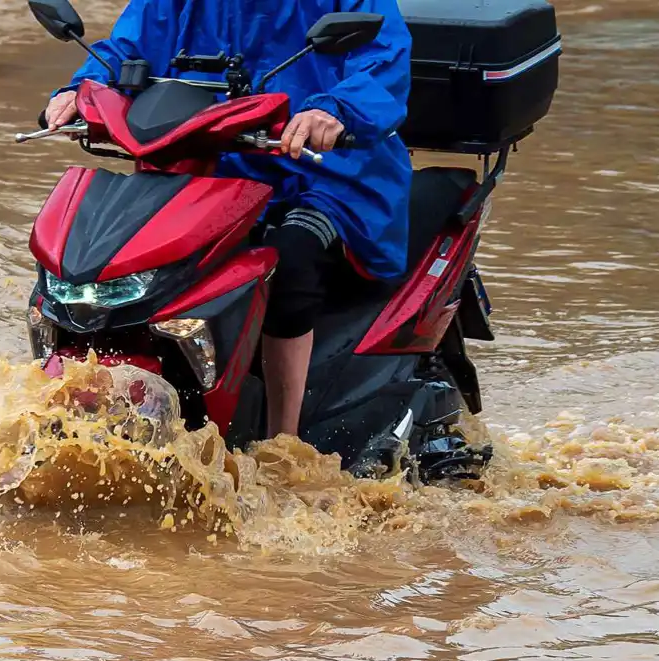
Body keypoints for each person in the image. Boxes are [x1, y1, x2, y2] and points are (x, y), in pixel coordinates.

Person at [43, 0, 412, 439]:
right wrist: (84, 87)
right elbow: (127, 49)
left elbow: (382, 59)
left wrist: (334, 110)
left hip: (329, 172)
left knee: (291, 259)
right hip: (209, 164)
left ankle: (284, 443)